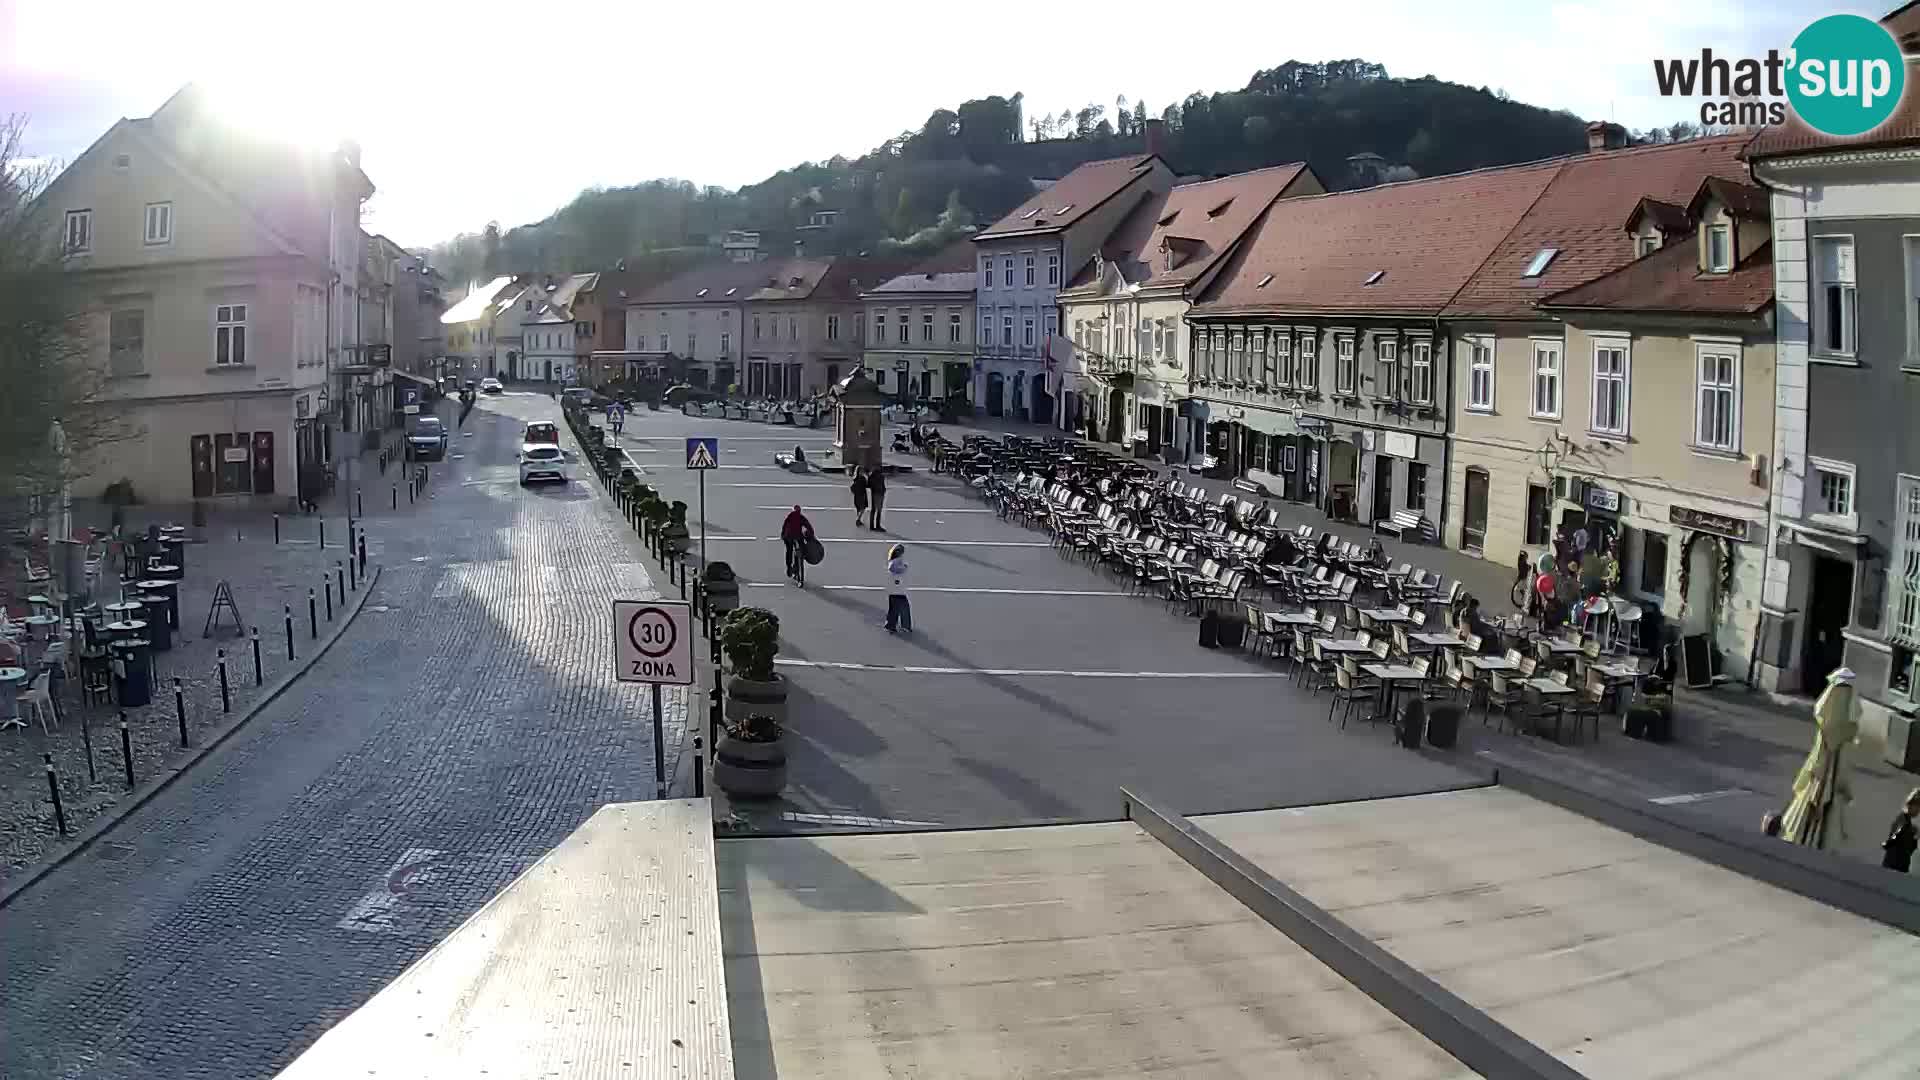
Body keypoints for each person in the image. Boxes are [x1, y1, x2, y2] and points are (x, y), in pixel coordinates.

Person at [1780, 666, 1861, 850]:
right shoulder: (1850, 710)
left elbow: (1821, 715)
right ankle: (1821, 839)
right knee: (1830, 798)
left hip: (1825, 762)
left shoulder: (1831, 703)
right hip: (1835, 763)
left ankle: (1806, 834)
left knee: (1814, 793)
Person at [1884, 788, 1920, 873]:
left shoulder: (1907, 822)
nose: (1918, 811)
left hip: (1898, 868)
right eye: (1917, 806)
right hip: (1893, 868)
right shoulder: (1902, 820)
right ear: (1910, 804)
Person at [780, 505, 814, 584]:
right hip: (798, 536)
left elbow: (784, 526)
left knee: (789, 551)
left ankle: (789, 567)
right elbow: (808, 526)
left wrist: (783, 535)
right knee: (800, 550)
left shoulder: (790, 516)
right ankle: (797, 565)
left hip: (788, 537)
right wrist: (811, 535)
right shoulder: (801, 517)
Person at [883, 543, 912, 633]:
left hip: (894, 591)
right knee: (904, 608)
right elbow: (896, 569)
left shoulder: (894, 561)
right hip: (897, 591)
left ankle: (890, 625)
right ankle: (905, 626)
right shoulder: (895, 563)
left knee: (894, 609)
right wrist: (905, 567)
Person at [866, 465, 887, 531]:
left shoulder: (872, 476)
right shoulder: (881, 476)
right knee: (879, 511)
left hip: (874, 493)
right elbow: (883, 486)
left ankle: (871, 526)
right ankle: (877, 525)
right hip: (879, 494)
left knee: (873, 510)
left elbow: (868, 485)